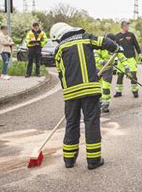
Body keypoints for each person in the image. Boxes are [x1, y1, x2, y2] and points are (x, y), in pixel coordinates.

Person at [51, 22, 120, 170]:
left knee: (72, 124)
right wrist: (116, 48)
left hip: (70, 94)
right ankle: (93, 160)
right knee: (91, 123)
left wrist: (69, 93)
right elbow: (104, 42)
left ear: (60, 36)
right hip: (90, 90)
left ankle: (69, 160)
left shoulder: (59, 49)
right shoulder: (86, 38)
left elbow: (61, 73)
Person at [94, 33, 130, 113]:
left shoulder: (115, 47)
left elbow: (122, 58)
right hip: (98, 69)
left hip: (108, 70)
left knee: (106, 87)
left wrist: (127, 68)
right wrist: (102, 61)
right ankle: (99, 102)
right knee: (97, 87)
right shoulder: (99, 46)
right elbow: (95, 57)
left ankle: (105, 104)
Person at [114, 21, 142, 98]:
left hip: (131, 59)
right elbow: (113, 47)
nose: (128, 27)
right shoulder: (117, 36)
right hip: (121, 60)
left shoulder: (131, 35)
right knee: (120, 76)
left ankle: (135, 91)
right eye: (126, 26)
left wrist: (140, 54)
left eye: (128, 26)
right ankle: (118, 92)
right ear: (123, 27)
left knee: (133, 75)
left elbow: (136, 45)